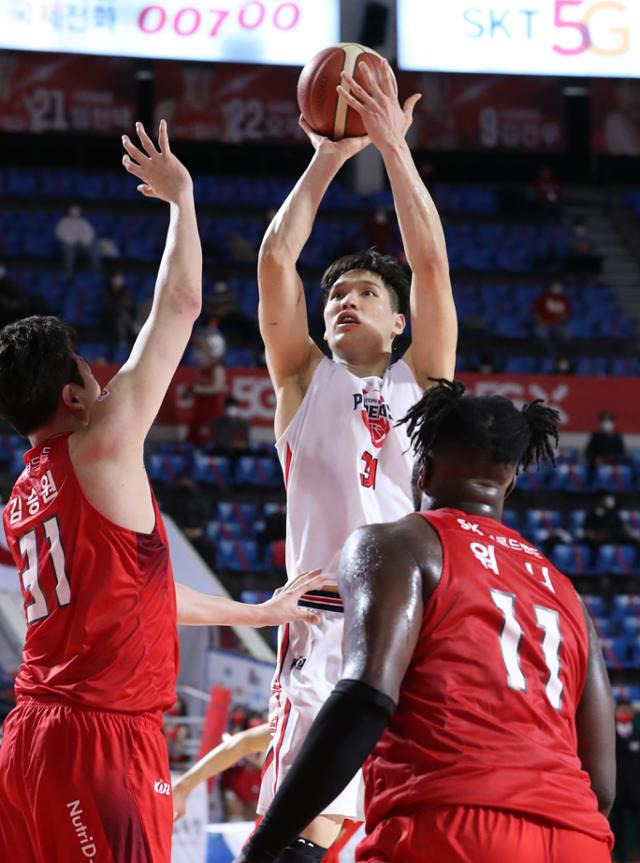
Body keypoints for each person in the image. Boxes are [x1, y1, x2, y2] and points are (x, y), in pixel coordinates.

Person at [0, 121, 325, 863]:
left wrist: (260, 609)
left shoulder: (23, 497)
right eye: (88, 369)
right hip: (99, 743)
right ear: (74, 396)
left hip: (28, 740)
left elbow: (141, 595)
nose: (105, 377)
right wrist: (183, 199)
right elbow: (177, 308)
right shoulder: (103, 440)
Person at [237, 381, 615, 863]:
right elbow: (601, 783)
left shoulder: (398, 543)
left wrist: (266, 845)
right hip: (576, 838)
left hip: (452, 824)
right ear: (510, 484)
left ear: (423, 469)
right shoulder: (564, 590)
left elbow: (365, 698)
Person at [255, 59, 457, 858]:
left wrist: (392, 147)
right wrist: (330, 156)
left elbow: (433, 264)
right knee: (300, 834)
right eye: (336, 294)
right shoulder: (304, 379)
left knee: (402, 832)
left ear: (400, 323)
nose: (343, 300)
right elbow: (277, 262)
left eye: (366, 294)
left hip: (413, 629)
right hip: (325, 625)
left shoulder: (424, 383)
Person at [173, 720, 271, 822]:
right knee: (234, 807)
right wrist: (184, 786)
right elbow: (243, 743)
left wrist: (184, 785)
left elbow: (244, 745)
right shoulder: (281, 728)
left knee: (254, 810)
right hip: (235, 782)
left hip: (256, 782)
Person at [610, 701, 640, 862]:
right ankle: (620, 855)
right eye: (621, 710)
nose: (624, 713)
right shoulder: (609, 736)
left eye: (626, 710)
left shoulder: (637, 734)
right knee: (618, 826)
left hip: (636, 791)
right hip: (617, 791)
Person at [54, 204, 101, 274]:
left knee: (94, 249)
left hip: (83, 244)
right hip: (69, 244)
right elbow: (59, 235)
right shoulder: (63, 223)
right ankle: (68, 273)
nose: (74, 215)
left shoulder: (84, 222)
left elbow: (90, 234)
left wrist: (84, 241)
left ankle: (95, 272)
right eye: (72, 213)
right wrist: (73, 242)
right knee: (69, 251)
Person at [532, 280, 571, 344]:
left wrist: (562, 319)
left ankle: (564, 350)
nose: (557, 289)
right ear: (551, 287)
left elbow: (567, 314)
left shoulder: (565, 299)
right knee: (540, 332)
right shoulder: (543, 297)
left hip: (558, 324)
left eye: (559, 287)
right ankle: (544, 348)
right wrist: (541, 321)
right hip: (544, 324)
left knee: (567, 333)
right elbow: (535, 312)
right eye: (555, 287)